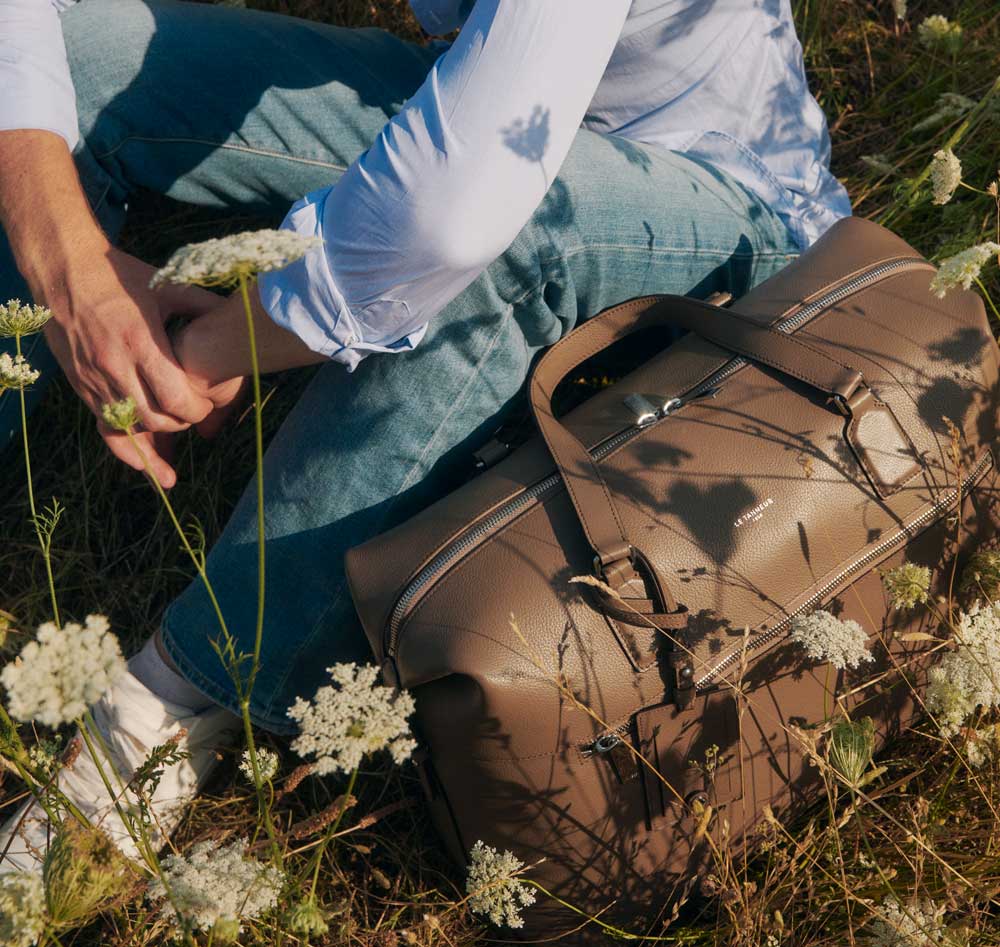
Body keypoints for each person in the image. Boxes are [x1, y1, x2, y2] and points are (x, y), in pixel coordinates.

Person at [0, 0, 850, 870]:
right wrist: (73, 272)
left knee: (518, 230)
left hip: (727, 205)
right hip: (494, 98)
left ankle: (177, 701)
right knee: (78, 57)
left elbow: (452, 217)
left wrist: (210, 352)